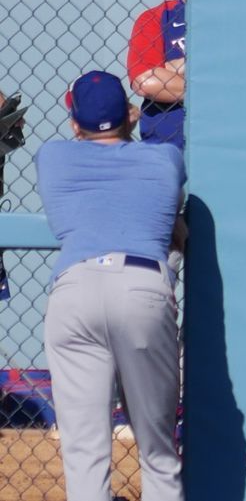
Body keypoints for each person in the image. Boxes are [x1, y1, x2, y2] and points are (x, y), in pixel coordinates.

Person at [36, 70, 186, 501]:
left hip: (75, 289)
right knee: (157, 450)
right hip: (141, 286)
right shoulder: (166, 159)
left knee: (85, 454)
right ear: (131, 115)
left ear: (74, 124)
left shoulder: (53, 156)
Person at [127, 0, 187, 149]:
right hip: (167, 148)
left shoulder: (237, 19)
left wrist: (172, 68)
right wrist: (216, 86)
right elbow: (145, 82)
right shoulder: (155, 18)